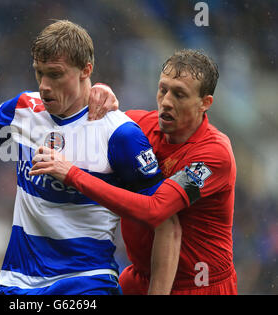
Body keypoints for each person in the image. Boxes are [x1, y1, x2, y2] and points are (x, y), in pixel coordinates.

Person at [0, 20, 181, 295]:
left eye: (55, 75)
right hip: (17, 281)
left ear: (86, 70)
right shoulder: (23, 109)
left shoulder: (119, 134)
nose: (45, 85)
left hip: (86, 280)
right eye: (39, 73)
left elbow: (164, 219)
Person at [30, 49, 237, 295]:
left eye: (179, 94)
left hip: (198, 286)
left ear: (205, 103)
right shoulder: (140, 126)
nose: (167, 101)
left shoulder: (213, 155)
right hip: (140, 278)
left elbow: (156, 209)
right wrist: (99, 92)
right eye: (163, 89)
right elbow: (99, 117)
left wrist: (72, 174)